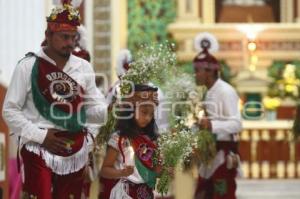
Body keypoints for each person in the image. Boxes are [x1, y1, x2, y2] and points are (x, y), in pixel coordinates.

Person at [2, 1, 107, 198]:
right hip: (38, 147)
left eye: (73, 38)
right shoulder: (28, 66)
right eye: (64, 37)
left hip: (74, 150)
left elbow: (98, 108)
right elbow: (9, 111)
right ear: (48, 35)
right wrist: (41, 136)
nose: (69, 42)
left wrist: (88, 140)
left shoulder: (83, 68)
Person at [192, 32, 242, 199]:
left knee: (222, 195)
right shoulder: (209, 91)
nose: (195, 75)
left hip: (223, 154)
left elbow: (237, 124)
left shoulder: (225, 91)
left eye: (197, 71)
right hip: (209, 156)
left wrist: (211, 125)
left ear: (209, 71)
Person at [99, 84, 161, 199]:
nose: (148, 118)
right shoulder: (120, 138)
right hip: (125, 193)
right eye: (144, 112)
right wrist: (122, 173)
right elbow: (104, 170)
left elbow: (155, 172)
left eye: (151, 114)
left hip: (146, 193)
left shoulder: (152, 139)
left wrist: (165, 171)